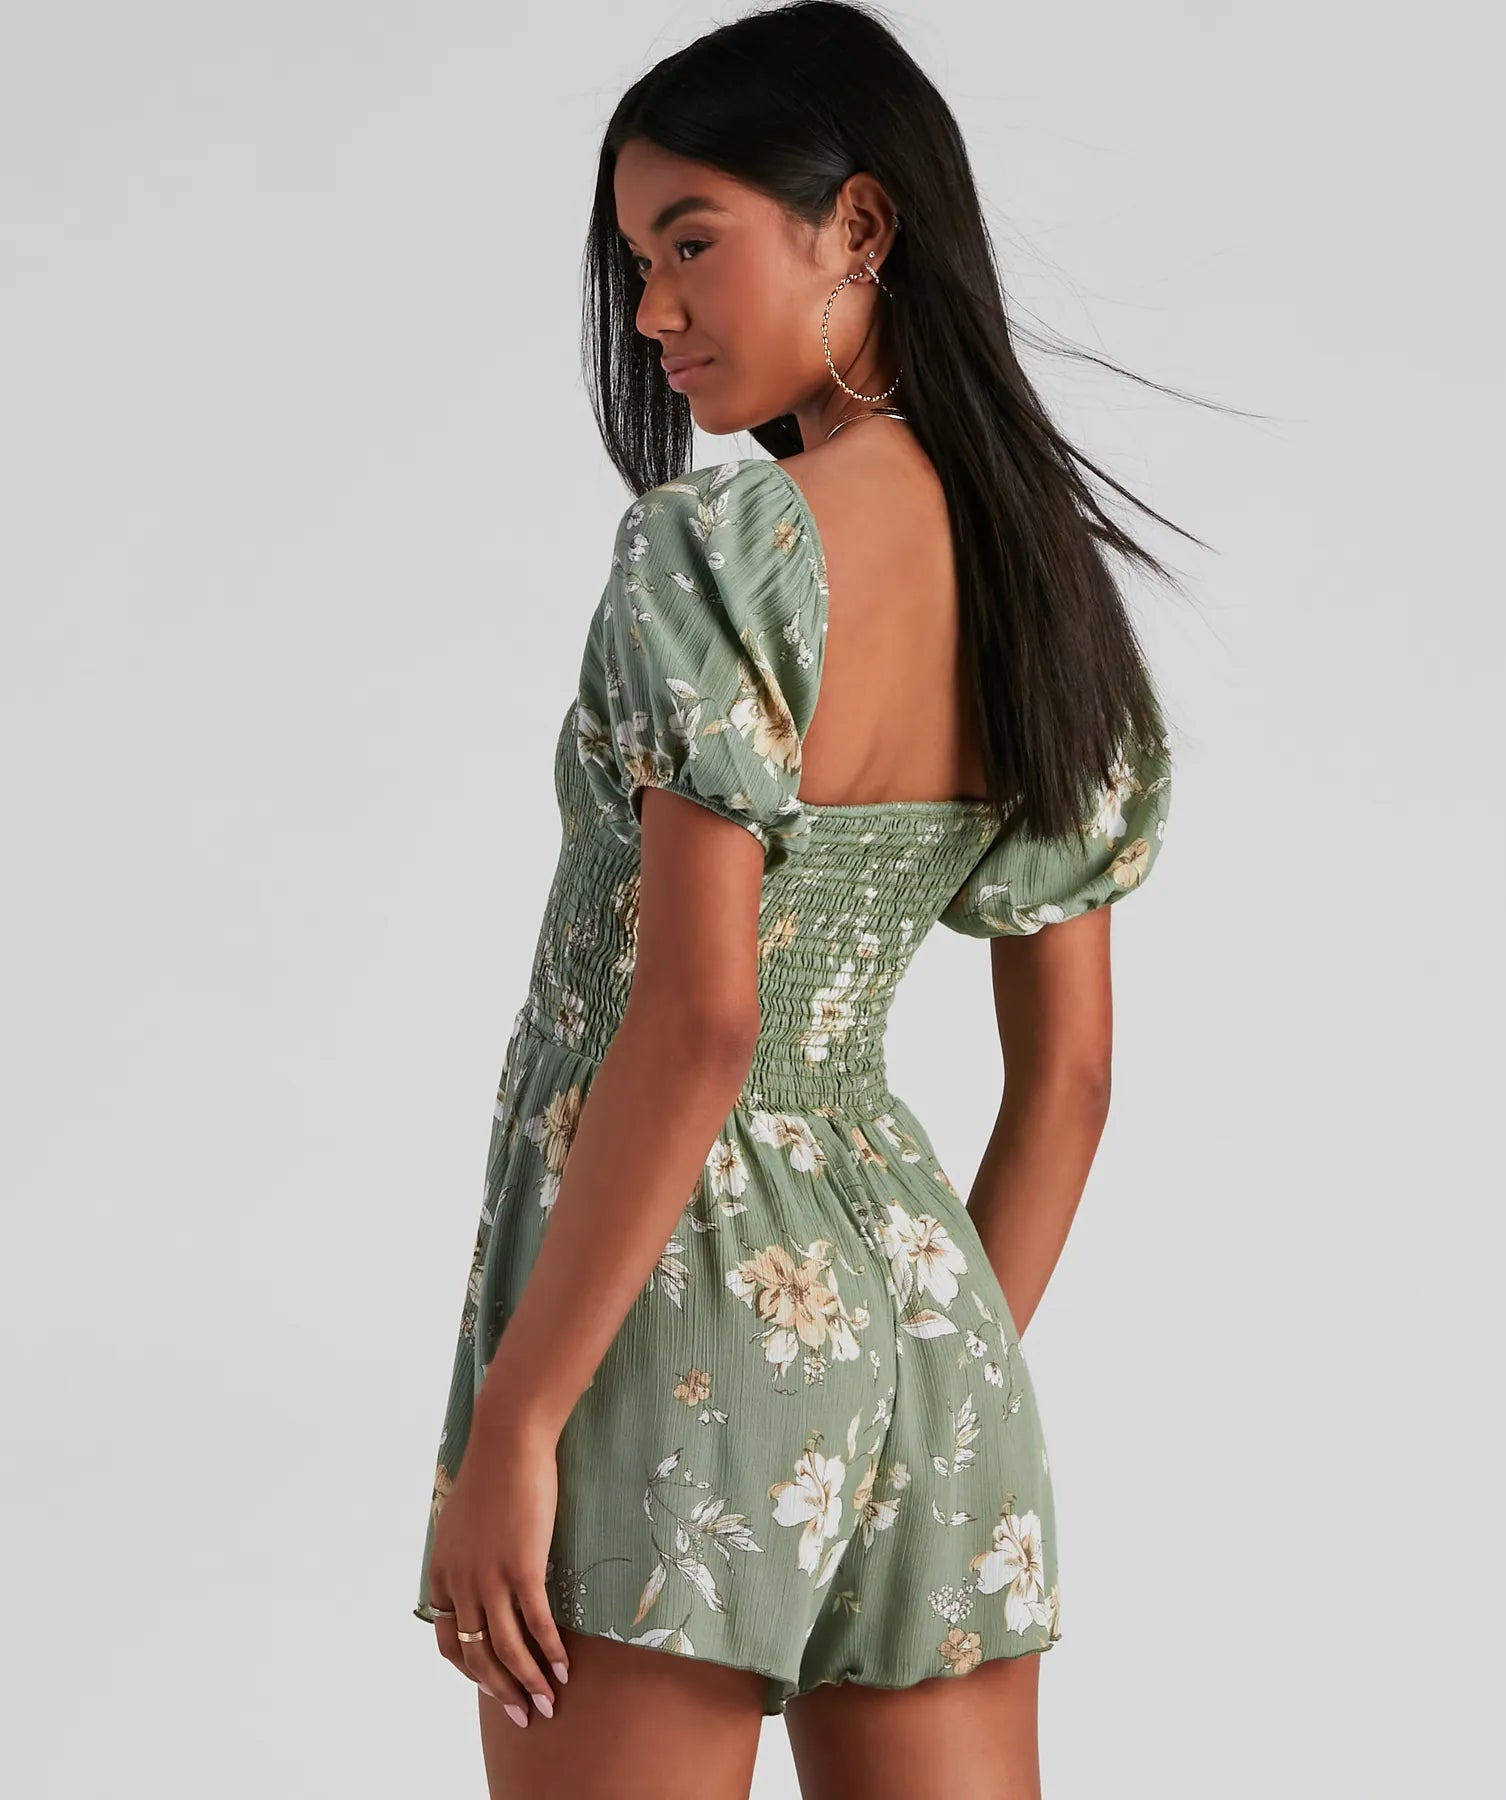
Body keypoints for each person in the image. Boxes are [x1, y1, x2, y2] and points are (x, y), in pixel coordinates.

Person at [412, 3, 1181, 1794]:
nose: (651, 312)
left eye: (691, 244)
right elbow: (1069, 1081)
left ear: (859, 225)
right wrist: (913, 1376)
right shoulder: (1047, 584)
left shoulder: (720, 547)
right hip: (927, 1321)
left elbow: (699, 1025)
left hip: (657, 1311)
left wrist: (515, 1425)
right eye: (635, 265)